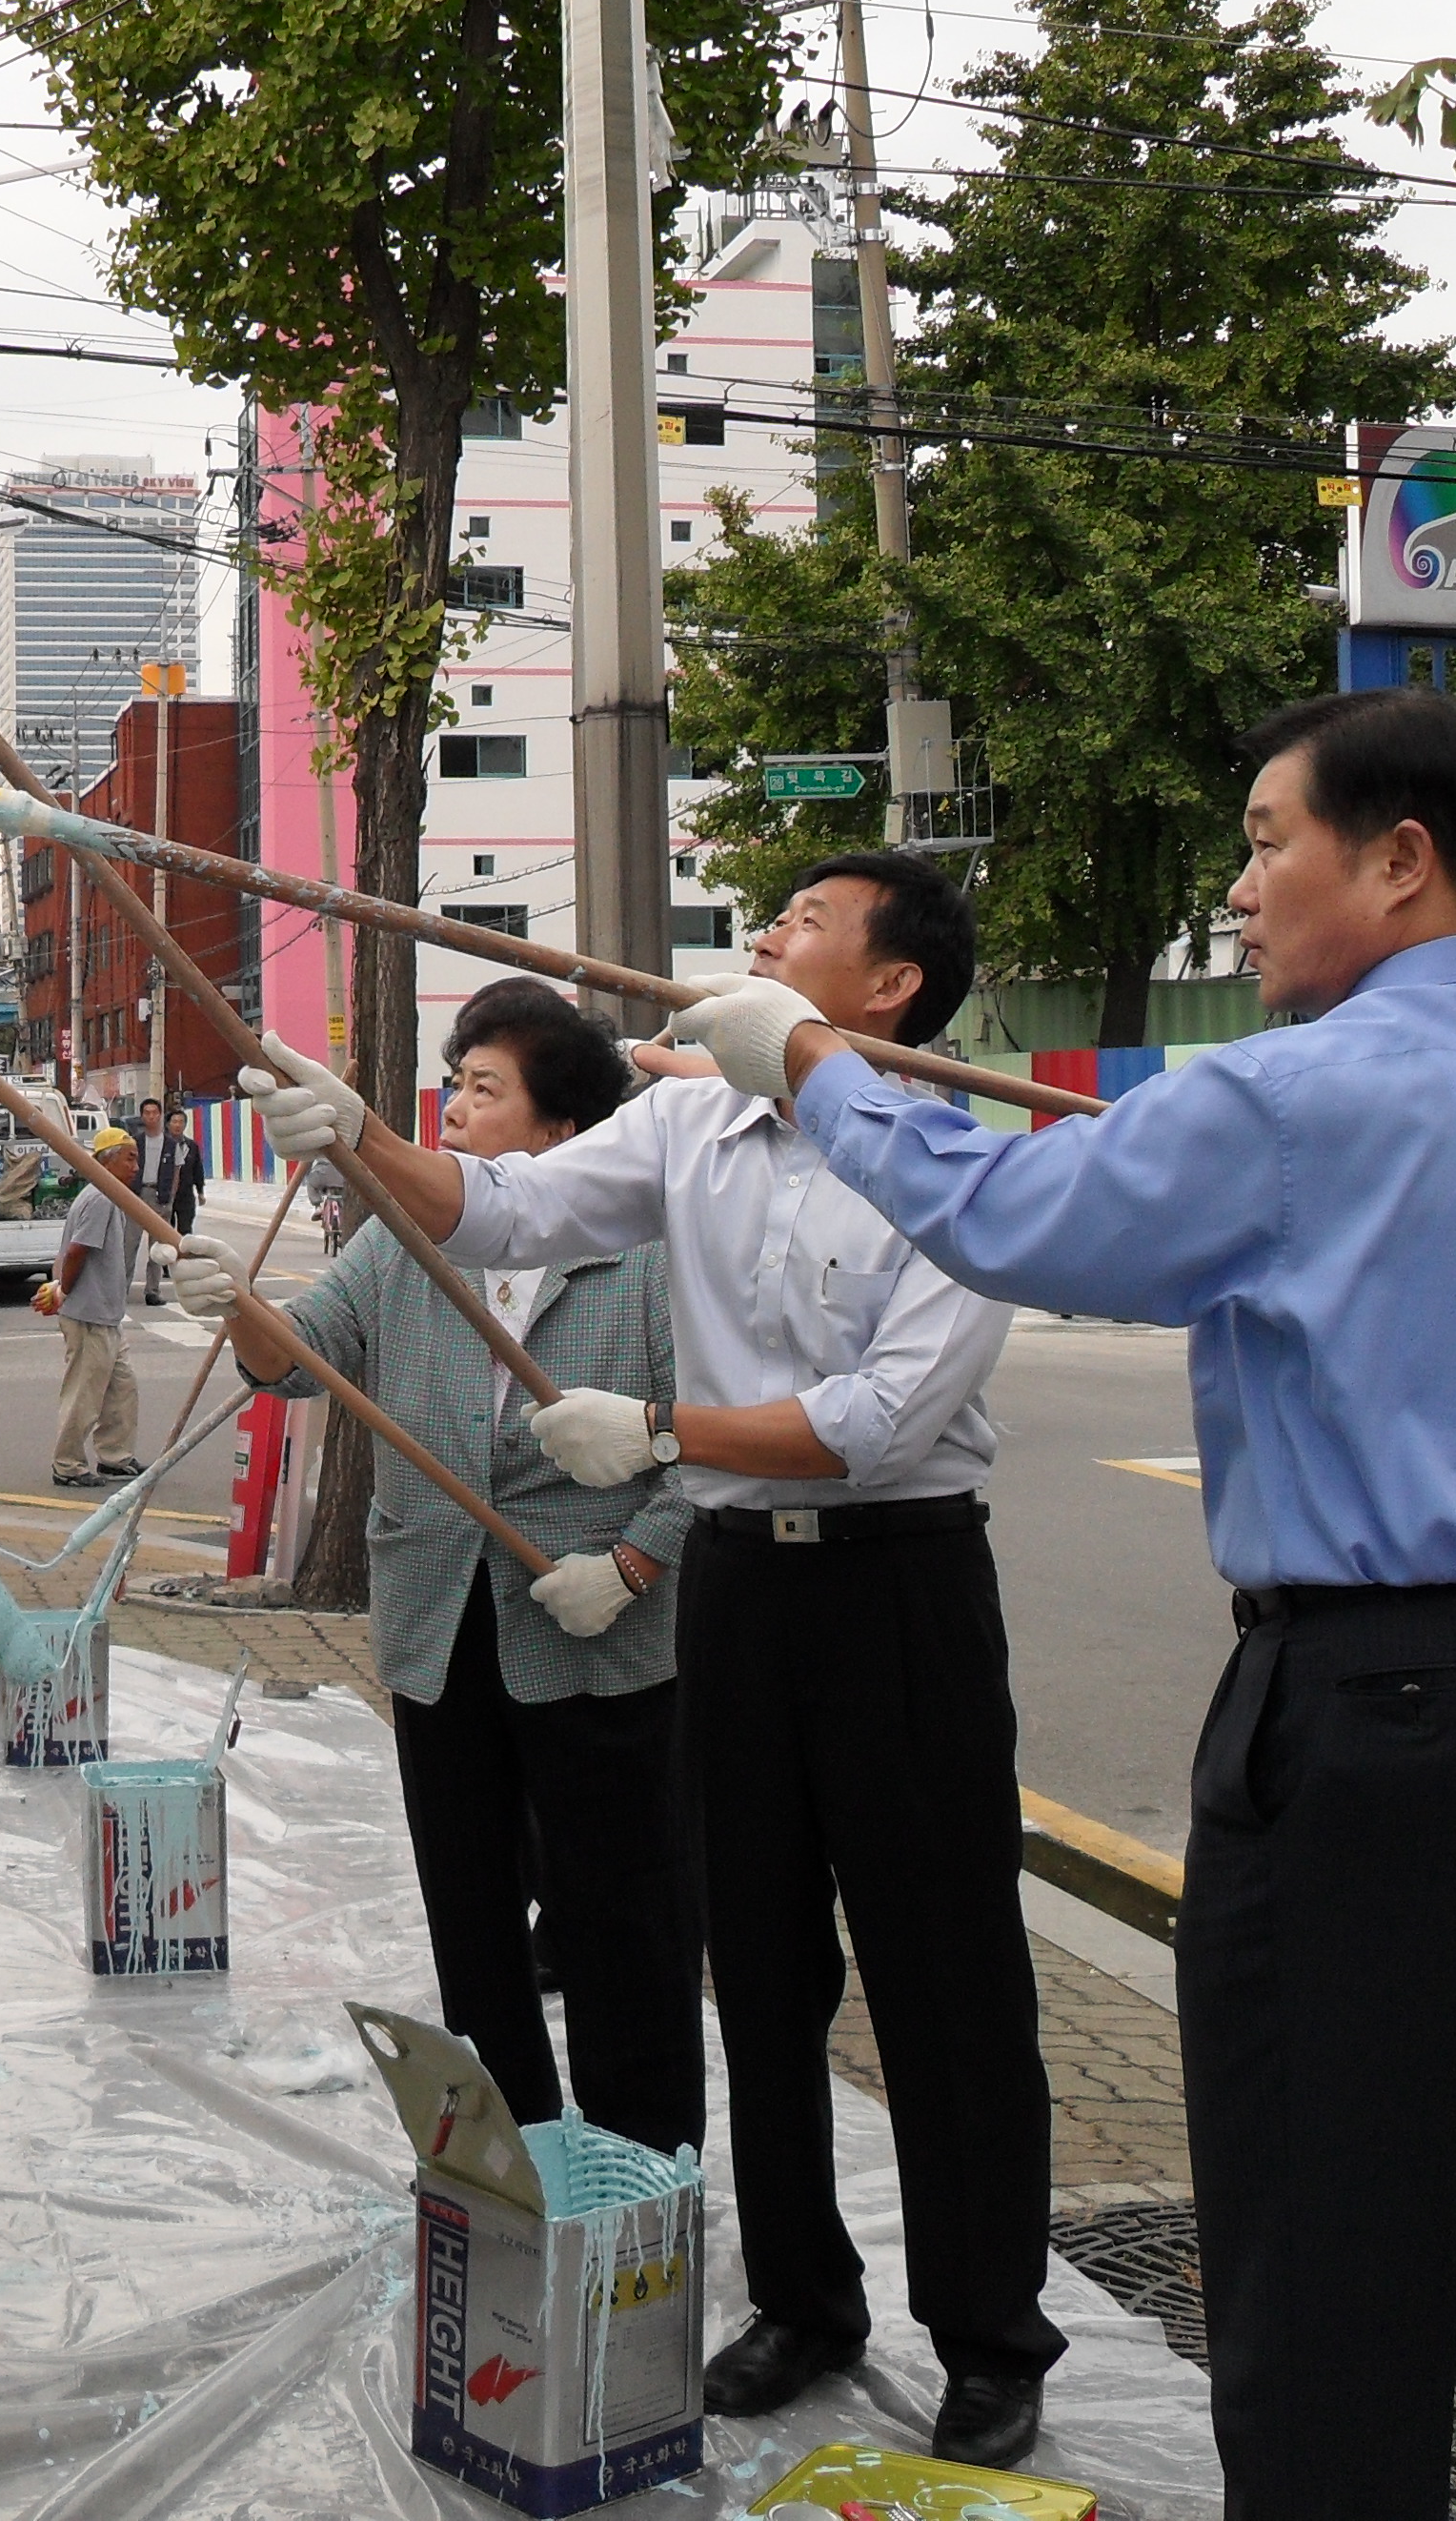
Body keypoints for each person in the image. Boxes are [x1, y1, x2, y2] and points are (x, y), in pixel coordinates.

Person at [658, 689, 1456, 2520]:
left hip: (1372, 1706)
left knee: (1322, 2244)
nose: (1237, 888)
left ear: (1396, 860)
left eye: (1265, 840)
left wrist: (807, 1065)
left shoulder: (1295, 1094)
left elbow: (1024, 1224)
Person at [239, 855, 1062, 2469]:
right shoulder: (687, 1128)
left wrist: (661, 1431)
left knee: (941, 1974)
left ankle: (987, 2333)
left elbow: (881, 1421)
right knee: (755, 1969)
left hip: (898, 1592)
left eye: (801, 926)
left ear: (889, 985)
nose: (760, 941)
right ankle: (804, 2301)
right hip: (742, 1594)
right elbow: (505, 1205)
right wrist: (364, 1140)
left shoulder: (958, 1158)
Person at [176, 981, 703, 2156]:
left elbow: (701, 1451)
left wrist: (628, 1562)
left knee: (621, 1914)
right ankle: (511, 2155)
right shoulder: (398, 1244)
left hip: (596, 1634)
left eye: (484, 1089)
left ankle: (639, 2167)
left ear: (561, 1137)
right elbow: (305, 1363)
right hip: (437, 1620)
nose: (455, 1110)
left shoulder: (645, 1263)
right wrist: (234, 1305)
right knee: (470, 1914)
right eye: (454, 1083)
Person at [44, 1127, 147, 1489]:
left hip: (106, 1314)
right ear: (108, 1160)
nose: (136, 1165)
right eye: (129, 1157)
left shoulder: (111, 1197)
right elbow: (77, 1251)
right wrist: (64, 1292)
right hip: (88, 1313)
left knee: (122, 1388)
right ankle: (67, 1464)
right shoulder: (101, 1198)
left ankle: (115, 1456)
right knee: (84, 1393)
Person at [144, 1104, 206, 1304]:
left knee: (185, 1231)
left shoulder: (191, 1146)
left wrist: (201, 1191)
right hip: (164, 1194)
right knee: (165, 1232)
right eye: (175, 1122)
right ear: (168, 1124)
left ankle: (183, 1264)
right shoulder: (164, 1144)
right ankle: (165, 1264)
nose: (178, 1125)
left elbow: (197, 1169)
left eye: (181, 1122)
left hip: (185, 1194)